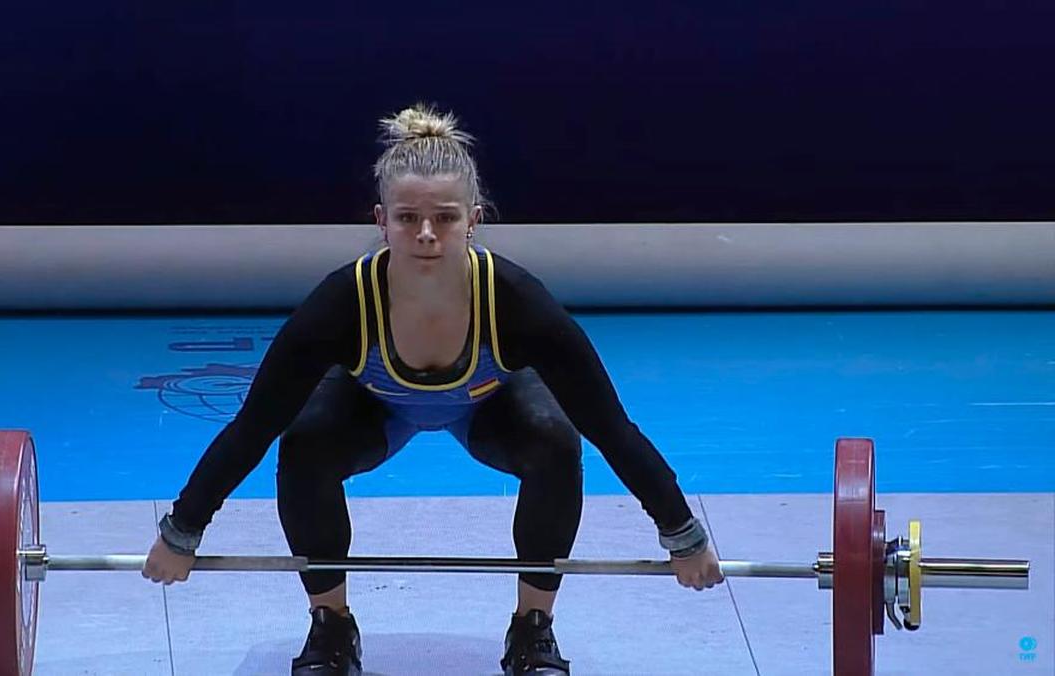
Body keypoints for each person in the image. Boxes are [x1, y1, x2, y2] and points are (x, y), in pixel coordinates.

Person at [142, 103, 724, 676]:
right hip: (371, 409)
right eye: (407, 218)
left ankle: (533, 628)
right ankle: (331, 626)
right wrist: (183, 529)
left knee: (557, 441)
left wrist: (682, 533)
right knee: (303, 445)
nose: (426, 234)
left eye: (445, 218)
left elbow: (613, 430)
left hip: (491, 408)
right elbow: (253, 427)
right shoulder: (341, 304)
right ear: (380, 220)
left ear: (474, 218)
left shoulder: (518, 303)